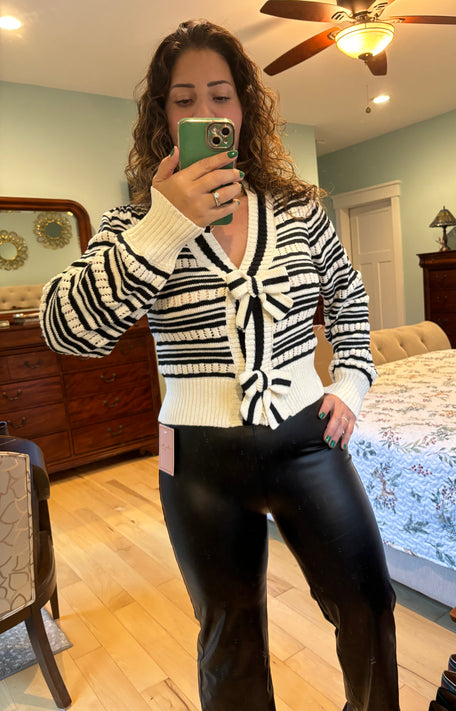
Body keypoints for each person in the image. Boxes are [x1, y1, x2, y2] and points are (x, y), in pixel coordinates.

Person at [40, 19, 399, 711]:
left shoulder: (298, 211)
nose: (205, 111)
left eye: (220, 95)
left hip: (306, 440)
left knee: (368, 604)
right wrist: (166, 223)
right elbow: (68, 331)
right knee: (229, 639)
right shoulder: (134, 224)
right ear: (163, 116)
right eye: (184, 100)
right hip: (197, 460)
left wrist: (351, 381)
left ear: (244, 109)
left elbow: (349, 296)